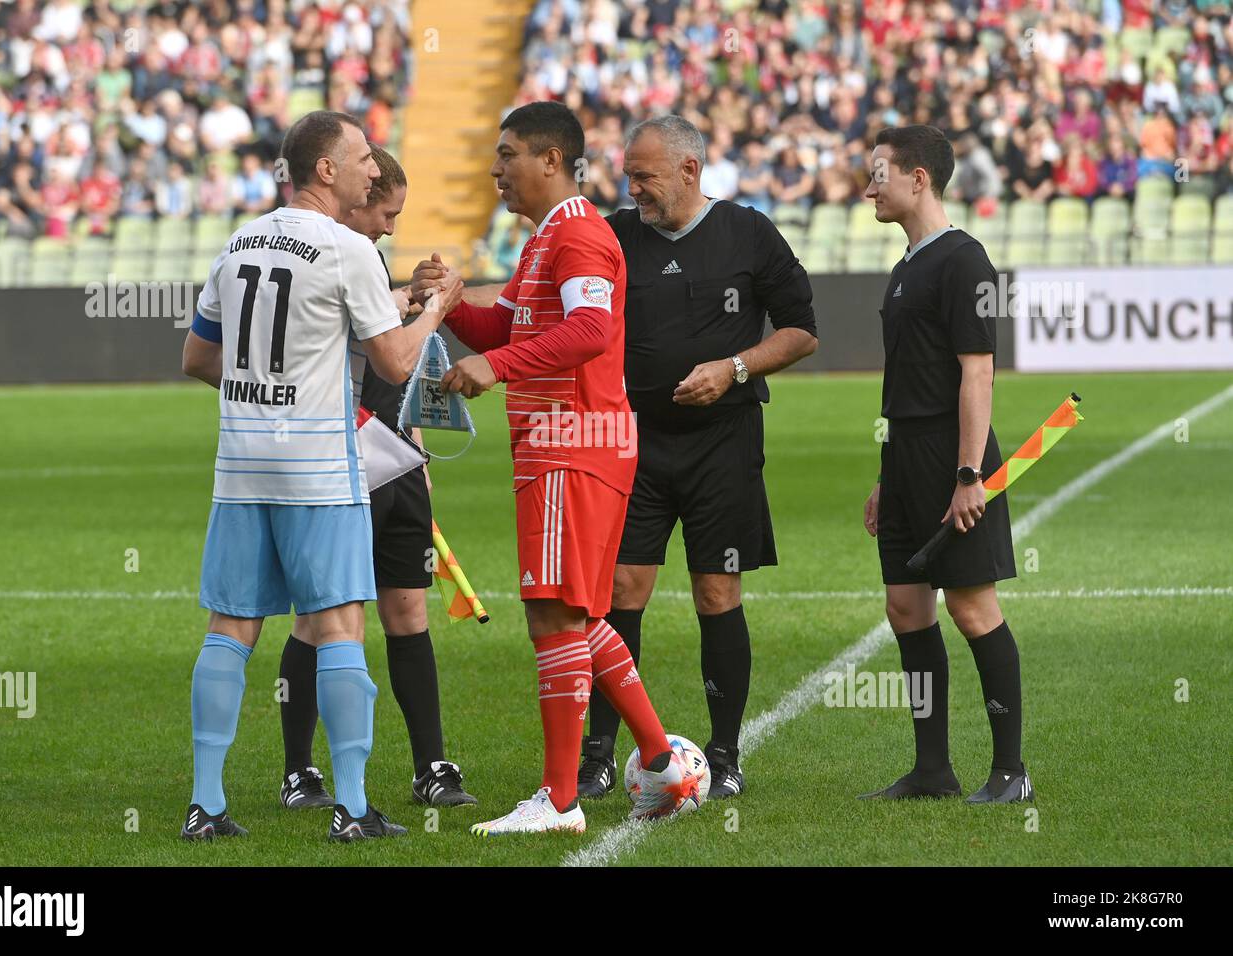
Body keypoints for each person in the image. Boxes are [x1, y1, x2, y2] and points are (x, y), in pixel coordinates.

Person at [413, 101, 700, 835]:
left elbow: (590, 330)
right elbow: (505, 323)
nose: (495, 169)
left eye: (507, 154)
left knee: (551, 613)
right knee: (579, 614)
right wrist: (448, 306)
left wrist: (496, 366)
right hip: (570, 443)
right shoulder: (549, 239)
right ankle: (661, 759)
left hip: (571, 443)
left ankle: (560, 799)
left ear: (550, 159)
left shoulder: (577, 235)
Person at [178, 110, 463, 842]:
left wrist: (263, 393)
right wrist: (435, 310)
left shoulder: (239, 240)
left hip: (241, 465)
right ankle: (353, 806)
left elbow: (197, 361)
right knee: (338, 626)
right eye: (364, 157)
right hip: (318, 468)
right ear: (327, 169)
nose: (375, 168)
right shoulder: (346, 249)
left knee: (230, 628)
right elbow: (396, 364)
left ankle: (205, 806)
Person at [578, 114, 818, 800]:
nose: (634, 190)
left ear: (688, 170)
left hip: (724, 445)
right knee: (621, 591)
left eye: (644, 177)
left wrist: (735, 368)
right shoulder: (618, 236)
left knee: (718, 592)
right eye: (629, 177)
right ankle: (598, 753)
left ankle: (725, 752)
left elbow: (803, 331)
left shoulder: (748, 231)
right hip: (636, 445)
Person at [277, 143, 477, 811]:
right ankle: (301, 771)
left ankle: (432, 766)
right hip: (336, 462)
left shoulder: (366, 257)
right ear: (356, 193)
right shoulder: (322, 252)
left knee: (408, 608)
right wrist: (430, 307)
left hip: (393, 461)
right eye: (386, 211)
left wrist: (416, 449)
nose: (392, 225)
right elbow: (378, 348)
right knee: (325, 619)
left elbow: (388, 357)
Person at [861, 124, 1032, 804]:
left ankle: (1011, 772)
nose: (869, 185)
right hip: (904, 459)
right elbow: (905, 382)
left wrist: (969, 475)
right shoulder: (906, 266)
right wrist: (886, 473)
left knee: (972, 608)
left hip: (951, 460)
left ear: (919, 178)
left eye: (879, 173)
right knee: (906, 607)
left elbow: (977, 375)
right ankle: (933, 771)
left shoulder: (965, 260)